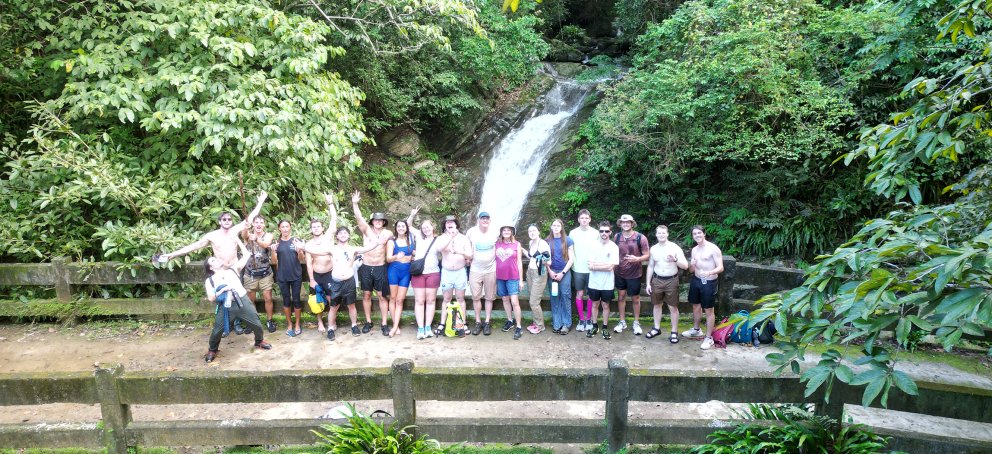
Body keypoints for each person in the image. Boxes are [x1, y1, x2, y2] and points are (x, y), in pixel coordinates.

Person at [203, 237, 272, 363]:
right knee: (217, 330)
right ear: (210, 267)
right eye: (213, 260)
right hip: (226, 306)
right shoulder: (210, 281)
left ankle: (259, 341)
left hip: (242, 301)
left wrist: (238, 241)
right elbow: (211, 298)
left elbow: (246, 255)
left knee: (256, 323)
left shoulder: (233, 269)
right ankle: (212, 349)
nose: (216, 259)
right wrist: (221, 291)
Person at [158, 191, 268, 267]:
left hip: (235, 269)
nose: (227, 221)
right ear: (219, 222)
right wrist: (172, 254)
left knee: (235, 299)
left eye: (229, 219)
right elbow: (193, 246)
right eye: (224, 219)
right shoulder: (212, 236)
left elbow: (251, 217)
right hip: (219, 270)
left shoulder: (234, 230)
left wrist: (261, 201)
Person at [324, 226, 384, 340]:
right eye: (340, 233)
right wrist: (304, 247)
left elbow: (367, 248)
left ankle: (354, 325)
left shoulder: (353, 249)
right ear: (337, 236)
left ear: (348, 235)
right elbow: (316, 251)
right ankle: (331, 328)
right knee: (333, 306)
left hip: (349, 281)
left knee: (351, 305)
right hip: (336, 282)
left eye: (345, 233)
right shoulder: (332, 249)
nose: (343, 235)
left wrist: (377, 243)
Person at [352, 191, 394, 336]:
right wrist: (355, 204)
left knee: (382, 296)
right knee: (367, 294)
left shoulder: (388, 233)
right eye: (375, 220)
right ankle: (368, 322)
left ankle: (384, 323)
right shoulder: (366, 231)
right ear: (372, 222)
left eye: (380, 220)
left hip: (380, 267)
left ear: (383, 222)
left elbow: (399, 242)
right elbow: (359, 218)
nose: (377, 222)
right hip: (366, 266)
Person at [407, 208, 447, 339]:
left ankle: (428, 327)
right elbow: (408, 225)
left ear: (432, 227)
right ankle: (420, 328)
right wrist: (412, 215)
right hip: (419, 273)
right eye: (423, 228)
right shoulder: (418, 235)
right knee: (419, 300)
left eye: (428, 227)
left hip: (433, 273)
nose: (426, 229)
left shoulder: (439, 239)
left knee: (430, 300)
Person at [644, 225, 688, 343]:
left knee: (672, 307)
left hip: (671, 280)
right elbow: (651, 266)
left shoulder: (675, 248)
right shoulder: (653, 249)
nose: (661, 235)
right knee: (656, 304)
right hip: (657, 280)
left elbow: (685, 266)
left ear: (667, 234)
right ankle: (656, 328)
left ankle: (674, 332)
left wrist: (675, 260)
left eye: (664, 233)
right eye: (659, 233)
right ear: (656, 234)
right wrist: (648, 283)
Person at [684, 225, 725, 350]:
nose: (697, 235)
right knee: (695, 305)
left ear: (704, 234)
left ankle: (708, 338)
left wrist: (710, 272)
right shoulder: (694, 250)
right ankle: (697, 330)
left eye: (699, 233)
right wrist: (691, 265)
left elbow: (721, 267)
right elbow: (691, 270)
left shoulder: (713, 249)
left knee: (708, 310)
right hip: (696, 280)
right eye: (694, 234)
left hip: (709, 282)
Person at [305, 195, 338, 335]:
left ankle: (332, 321)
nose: (316, 228)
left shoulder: (328, 237)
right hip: (317, 275)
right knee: (316, 300)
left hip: (330, 273)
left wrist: (330, 203)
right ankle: (320, 321)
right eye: (314, 227)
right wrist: (312, 279)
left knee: (332, 299)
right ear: (311, 229)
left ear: (322, 228)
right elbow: (308, 263)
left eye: (318, 226)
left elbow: (334, 220)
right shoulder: (308, 244)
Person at [612, 214, 651, 336]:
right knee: (621, 296)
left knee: (635, 298)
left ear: (632, 223)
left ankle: (636, 322)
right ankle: (622, 321)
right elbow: (612, 252)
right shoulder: (617, 237)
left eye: (628, 222)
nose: (625, 224)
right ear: (620, 224)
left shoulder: (640, 238)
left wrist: (637, 259)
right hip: (619, 272)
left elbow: (647, 255)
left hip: (634, 273)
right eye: (623, 222)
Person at [436, 215, 472, 336]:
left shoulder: (464, 238)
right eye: (447, 222)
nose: (450, 224)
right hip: (446, 272)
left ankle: (462, 323)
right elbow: (439, 248)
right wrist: (450, 237)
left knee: (460, 299)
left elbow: (470, 255)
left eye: (452, 222)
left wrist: (460, 251)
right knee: (446, 299)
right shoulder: (441, 238)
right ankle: (442, 323)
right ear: (444, 225)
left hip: (460, 272)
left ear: (456, 224)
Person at [466, 211, 499, 335]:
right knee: (476, 297)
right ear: (478, 219)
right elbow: (466, 245)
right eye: (482, 218)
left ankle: (487, 322)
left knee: (489, 297)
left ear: (490, 220)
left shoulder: (495, 231)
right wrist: (467, 259)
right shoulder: (471, 232)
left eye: (487, 218)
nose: (485, 220)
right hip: (475, 269)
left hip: (491, 269)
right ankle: (478, 322)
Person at [271, 219, 306, 337]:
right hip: (282, 276)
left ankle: (297, 324)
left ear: (290, 227)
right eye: (283, 227)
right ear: (279, 228)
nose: (285, 229)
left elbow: (301, 259)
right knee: (286, 300)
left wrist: (299, 249)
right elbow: (274, 261)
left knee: (296, 299)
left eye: (287, 226)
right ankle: (289, 324)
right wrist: (273, 251)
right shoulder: (277, 242)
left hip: (296, 275)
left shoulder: (296, 240)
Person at [242, 215, 276, 333]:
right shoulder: (248, 236)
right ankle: (253, 322)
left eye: (261, 222)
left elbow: (266, 244)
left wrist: (256, 239)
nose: (259, 224)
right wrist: (246, 227)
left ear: (264, 224)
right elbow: (244, 235)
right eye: (256, 222)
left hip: (265, 273)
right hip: (250, 274)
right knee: (251, 300)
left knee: (268, 298)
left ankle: (270, 320)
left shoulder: (268, 235)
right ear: (253, 224)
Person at [586, 221, 620, 340]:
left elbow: (611, 267)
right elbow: (589, 266)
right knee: (594, 304)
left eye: (606, 231)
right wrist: (604, 265)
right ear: (599, 232)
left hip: (607, 283)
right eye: (601, 231)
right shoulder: (593, 245)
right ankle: (595, 326)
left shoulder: (614, 247)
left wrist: (596, 265)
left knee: (606, 305)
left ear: (610, 232)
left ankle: (605, 327)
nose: (604, 233)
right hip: (594, 282)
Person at [568, 209, 599, 332]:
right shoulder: (573, 233)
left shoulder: (596, 233)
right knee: (579, 293)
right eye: (582, 218)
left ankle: (589, 318)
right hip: (578, 268)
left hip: (592, 269)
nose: (584, 220)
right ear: (578, 219)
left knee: (591, 295)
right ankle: (581, 319)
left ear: (590, 219)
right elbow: (569, 250)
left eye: (586, 218)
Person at [494, 226, 525, 340]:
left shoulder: (517, 244)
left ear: (512, 233)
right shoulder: (496, 244)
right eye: (504, 230)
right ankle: (510, 320)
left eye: (508, 230)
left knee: (514, 301)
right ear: (501, 233)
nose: (506, 232)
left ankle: (519, 326)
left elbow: (519, 262)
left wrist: (521, 280)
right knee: (505, 299)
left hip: (513, 276)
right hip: (500, 277)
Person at [385, 219, 414, 337]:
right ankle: (395, 326)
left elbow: (413, 254)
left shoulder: (410, 241)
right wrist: (397, 256)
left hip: (406, 272)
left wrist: (411, 257)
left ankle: (395, 326)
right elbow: (388, 259)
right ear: (396, 228)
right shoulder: (392, 242)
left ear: (406, 228)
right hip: (393, 271)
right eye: (399, 226)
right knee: (392, 298)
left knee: (399, 300)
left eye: (403, 226)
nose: (401, 228)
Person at [546, 219, 574, 334]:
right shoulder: (547, 241)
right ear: (551, 227)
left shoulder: (568, 240)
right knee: (554, 297)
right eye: (554, 225)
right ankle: (557, 323)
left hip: (564, 272)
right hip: (551, 272)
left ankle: (566, 324)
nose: (556, 227)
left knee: (565, 296)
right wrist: (550, 272)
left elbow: (571, 258)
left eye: (558, 225)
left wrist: (562, 273)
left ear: (561, 227)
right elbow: (545, 259)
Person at [524, 224, 550, 334]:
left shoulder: (543, 244)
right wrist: (521, 249)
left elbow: (549, 261)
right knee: (532, 299)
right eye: (530, 231)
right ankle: (535, 323)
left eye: (534, 230)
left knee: (534, 302)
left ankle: (540, 326)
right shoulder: (531, 242)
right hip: (530, 271)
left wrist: (543, 259)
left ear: (539, 232)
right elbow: (531, 256)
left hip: (540, 273)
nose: (532, 233)